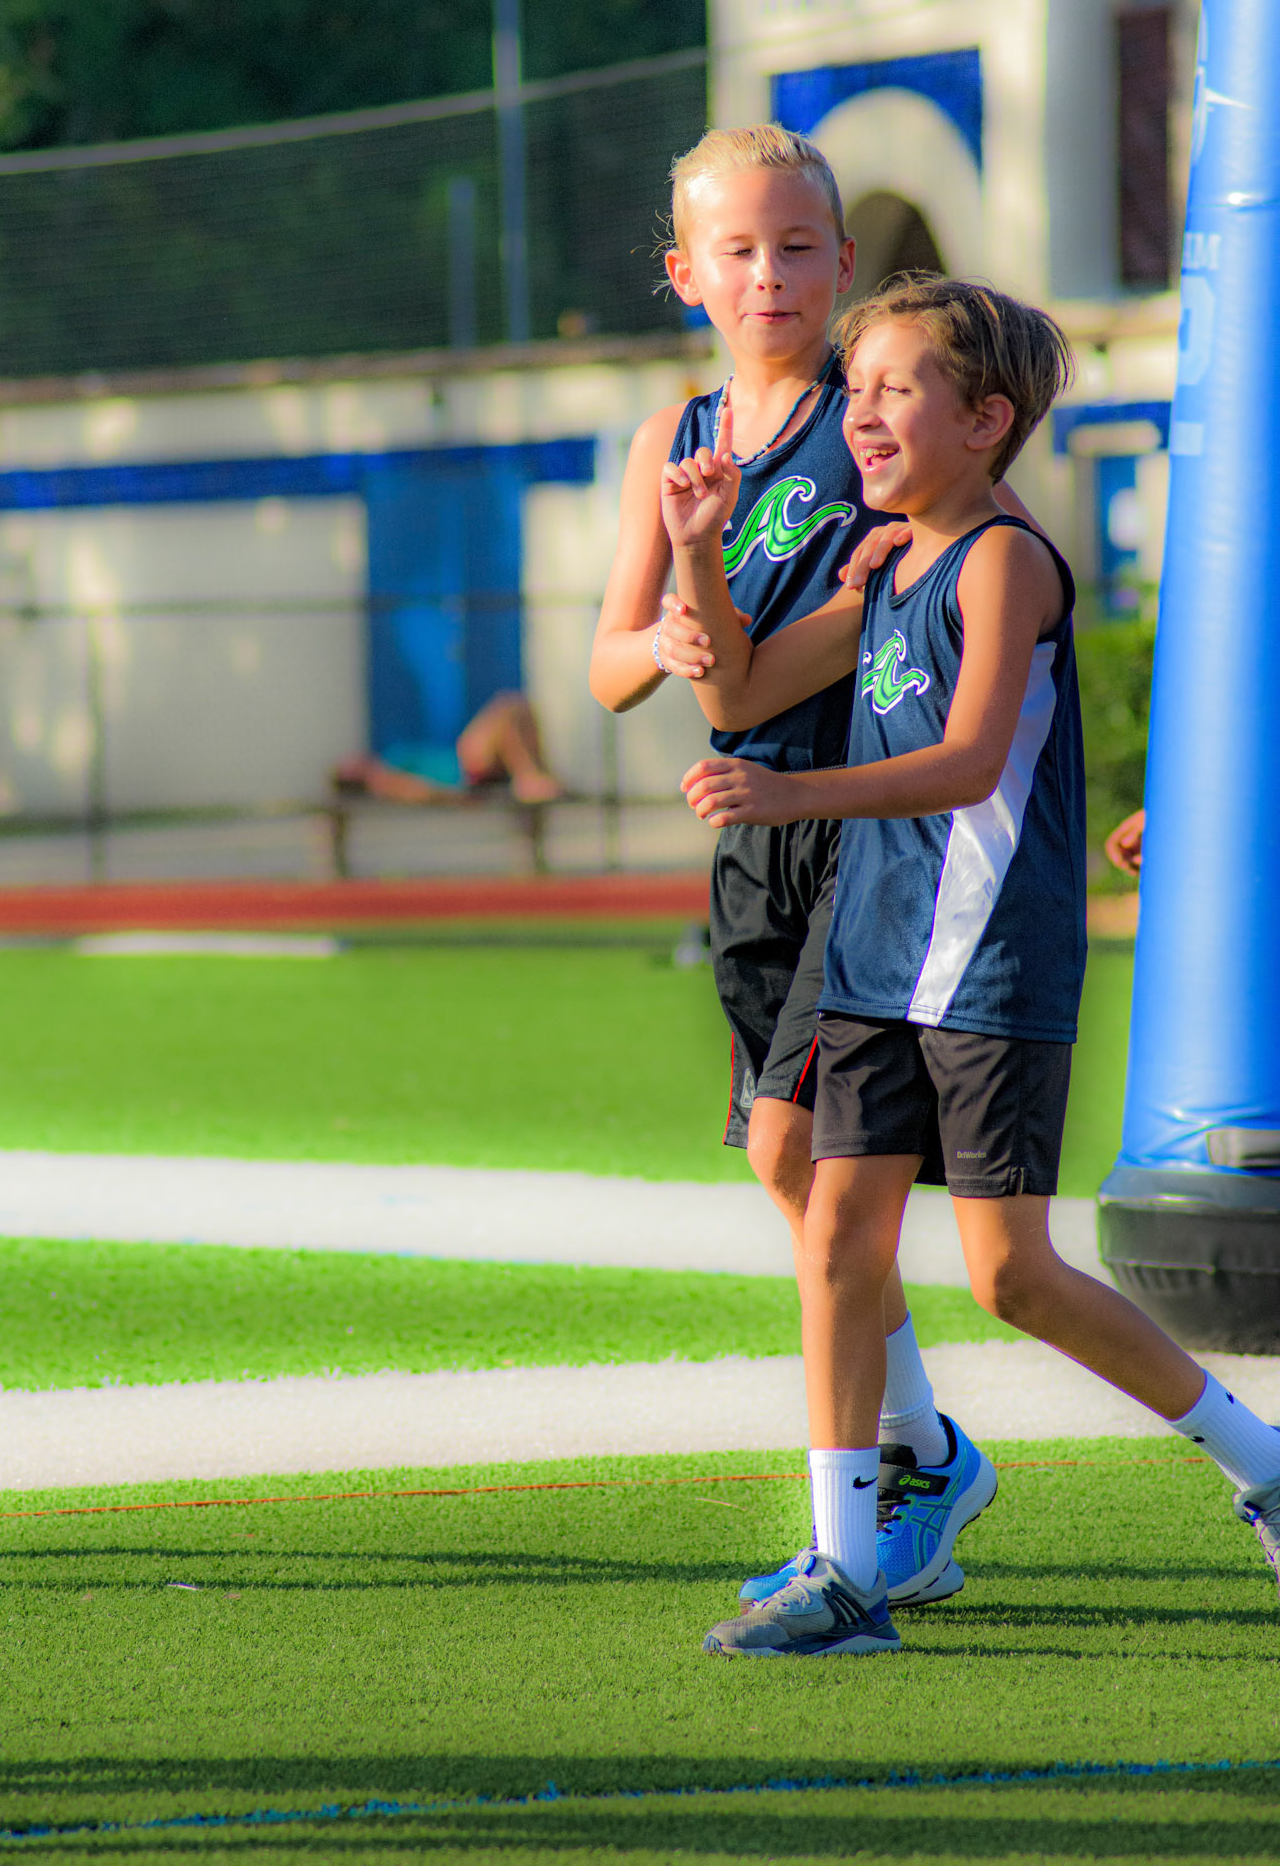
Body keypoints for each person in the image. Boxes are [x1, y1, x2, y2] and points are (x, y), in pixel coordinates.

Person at [665, 272, 1280, 1658]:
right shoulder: (886, 560)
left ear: (987, 421)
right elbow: (739, 690)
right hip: (873, 956)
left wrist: (790, 796)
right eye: (856, 388)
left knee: (1011, 1275)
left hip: (988, 959)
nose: (860, 413)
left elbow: (967, 761)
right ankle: (846, 1571)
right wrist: (699, 552)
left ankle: (1263, 1462)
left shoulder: (1002, 561)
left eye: (895, 389)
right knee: (838, 1239)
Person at [591, 126, 1021, 1610]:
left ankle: (896, 1476)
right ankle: (924, 1454)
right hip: (751, 839)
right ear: (684, 273)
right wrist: (668, 631)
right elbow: (611, 666)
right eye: (737, 249)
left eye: (795, 247)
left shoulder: (878, 417)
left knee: (804, 1161)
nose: (767, 274)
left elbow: (784, 669)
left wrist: (729, 644)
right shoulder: (673, 438)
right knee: (791, 1170)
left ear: (843, 262)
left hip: (862, 823)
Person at [331, 691, 563, 806]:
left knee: (517, 713)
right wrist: (458, 797)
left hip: (465, 764)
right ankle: (529, 778)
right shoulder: (382, 779)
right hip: (463, 770)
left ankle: (534, 775)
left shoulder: (387, 760)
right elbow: (420, 792)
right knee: (507, 710)